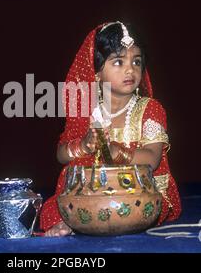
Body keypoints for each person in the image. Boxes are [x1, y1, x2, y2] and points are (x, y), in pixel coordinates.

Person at [40, 21, 182, 237]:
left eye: (136, 61)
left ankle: (82, 220)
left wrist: (118, 152)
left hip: (141, 189)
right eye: (118, 62)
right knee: (64, 191)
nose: (130, 69)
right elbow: (61, 155)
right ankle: (80, 218)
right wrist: (84, 145)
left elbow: (152, 159)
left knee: (134, 206)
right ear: (96, 73)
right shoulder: (87, 110)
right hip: (97, 187)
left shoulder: (150, 109)